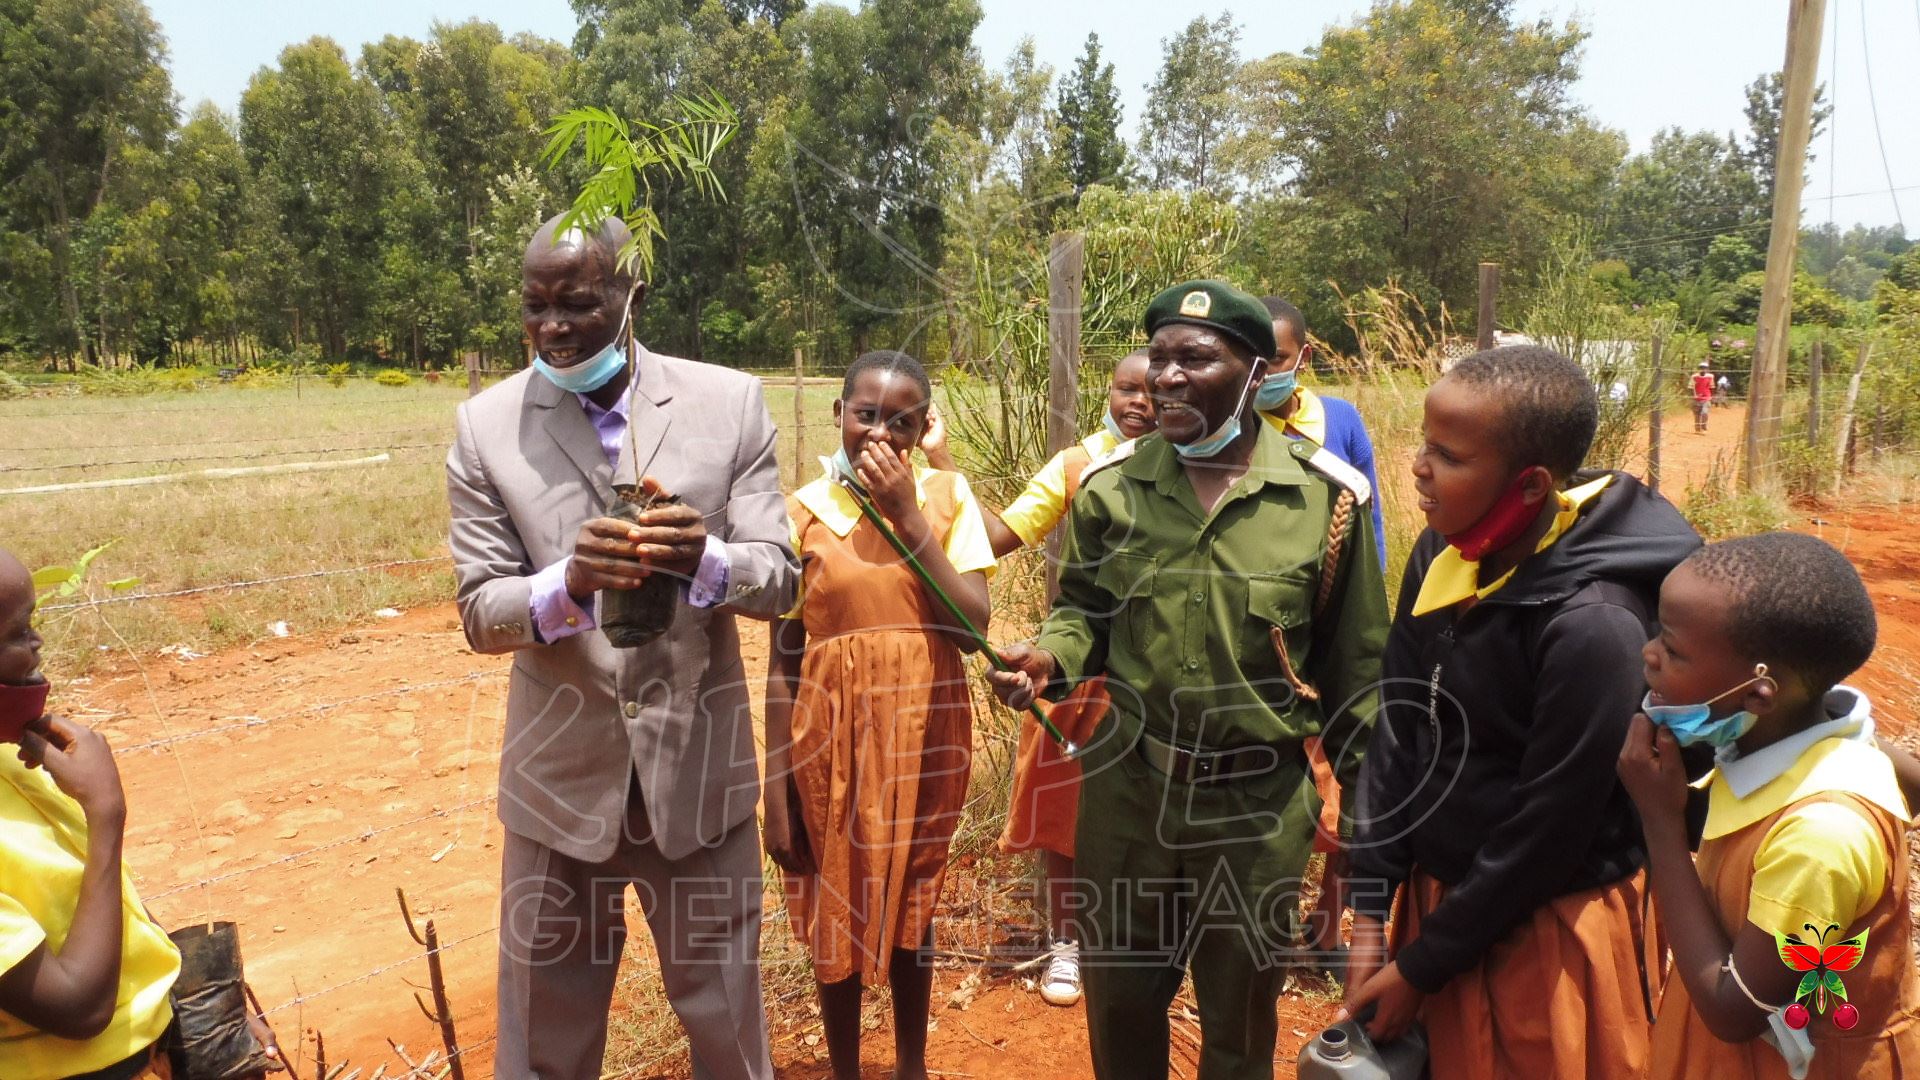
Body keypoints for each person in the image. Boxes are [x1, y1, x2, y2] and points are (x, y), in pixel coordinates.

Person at [990, 280, 1388, 1080]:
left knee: (1239, 1031)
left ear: (1254, 374)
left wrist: (1373, 846)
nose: (1167, 377)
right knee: (1120, 1015)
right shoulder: (1112, 490)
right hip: (1129, 801)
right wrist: (1050, 659)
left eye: (1196, 359)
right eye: (1160, 356)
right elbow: (1084, 613)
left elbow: (1359, 679)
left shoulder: (1325, 502)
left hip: (1257, 814)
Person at [446, 215, 799, 1080]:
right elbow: (481, 611)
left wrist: (705, 561)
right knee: (545, 1042)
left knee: (730, 1034)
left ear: (631, 294)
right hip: (558, 785)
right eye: (535, 306)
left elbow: (782, 579)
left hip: (699, 779)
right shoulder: (486, 427)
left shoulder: (729, 403)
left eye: (576, 304)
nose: (553, 328)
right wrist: (566, 585)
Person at [1342, 345, 1702, 1077]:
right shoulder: (1443, 554)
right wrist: (1372, 911)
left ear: (1530, 484)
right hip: (1439, 906)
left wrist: (1424, 965)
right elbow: (1400, 726)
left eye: (1448, 456)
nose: (1417, 467)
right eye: (1424, 444)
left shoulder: (1594, 624)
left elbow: (1552, 826)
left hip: (1549, 923)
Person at [760, 350, 997, 1080]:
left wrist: (907, 514)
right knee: (836, 893)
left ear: (924, 430)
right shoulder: (802, 513)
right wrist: (775, 795)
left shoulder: (947, 498)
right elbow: (783, 663)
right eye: (866, 416)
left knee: (914, 894)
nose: (881, 435)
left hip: (926, 735)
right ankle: (846, 1069)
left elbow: (972, 628)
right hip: (829, 741)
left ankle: (911, 1066)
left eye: (902, 422)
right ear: (839, 413)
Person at [1621, 533, 1920, 1078]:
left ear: (1759, 694)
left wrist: (1660, 821)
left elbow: (1732, 1009)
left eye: (1673, 650)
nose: (1649, 653)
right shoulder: (1811, 736)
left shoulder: (1822, 836)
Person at [923, 350, 1155, 1009]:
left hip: (1158, 676)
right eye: (1126, 389)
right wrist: (940, 462)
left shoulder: (1195, 467)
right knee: (1064, 817)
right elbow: (995, 534)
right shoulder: (1079, 466)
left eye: (1151, 393)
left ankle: (1147, 940)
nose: (1139, 403)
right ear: (1107, 394)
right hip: (1079, 671)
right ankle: (1067, 943)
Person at [0, 548, 184, 1079]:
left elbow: (105, 896)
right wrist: (105, 813)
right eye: (18, 632)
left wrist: (195, 995)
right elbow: (78, 1008)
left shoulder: (12, 759)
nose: (38, 643)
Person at [1253, 295, 1387, 972]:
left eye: (1276, 359)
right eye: (1252, 359)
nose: (1262, 374)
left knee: (1341, 782)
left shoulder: (1339, 422)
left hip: (1325, 629)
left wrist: (1361, 620)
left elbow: (1369, 525)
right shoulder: (1230, 425)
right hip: (1266, 642)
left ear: (1303, 357)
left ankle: (1328, 925)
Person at [1694, 361, 1716, 433]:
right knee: (1697, 414)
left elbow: (1712, 387)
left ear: (1707, 369)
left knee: (1704, 412)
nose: (1703, 369)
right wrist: (1694, 395)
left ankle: (1703, 427)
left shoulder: (1710, 377)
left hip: (1706, 397)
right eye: (1701, 368)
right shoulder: (1694, 376)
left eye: (1705, 368)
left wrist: (1712, 397)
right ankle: (1697, 429)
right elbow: (1691, 387)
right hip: (1697, 398)